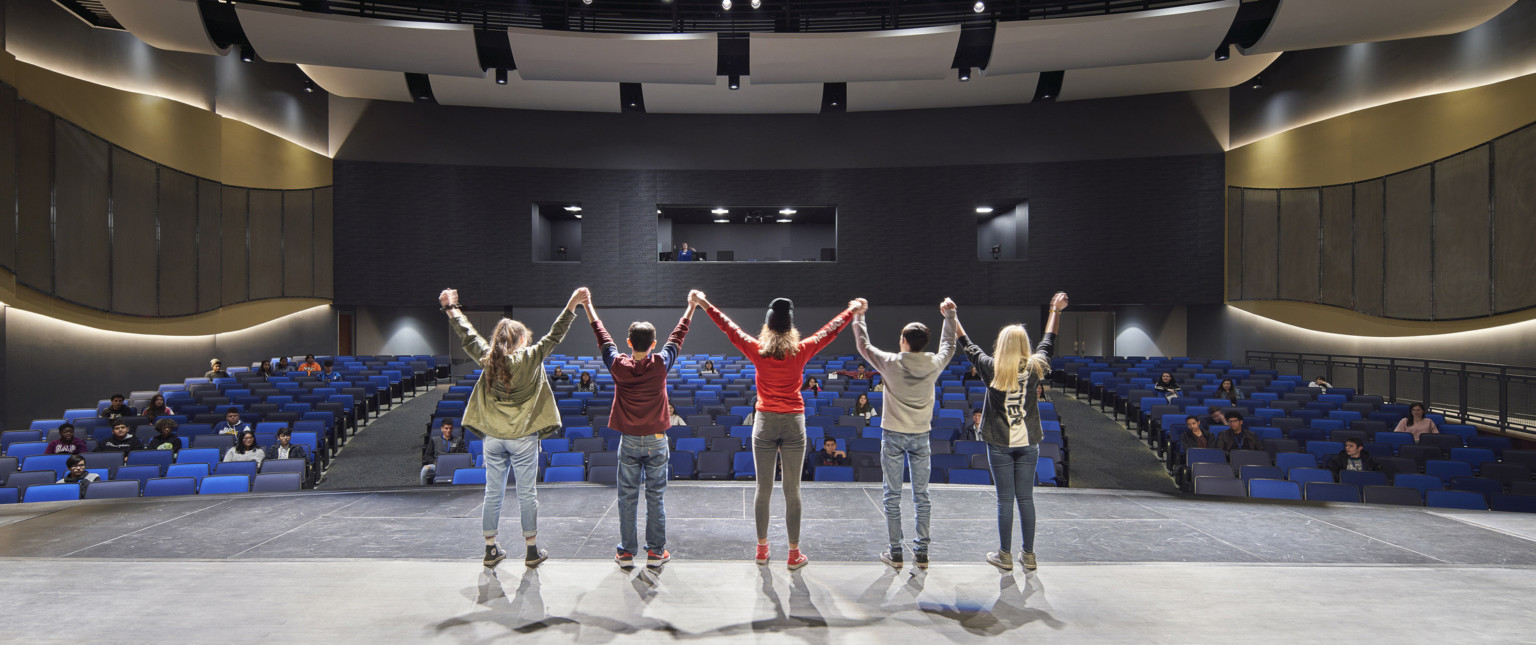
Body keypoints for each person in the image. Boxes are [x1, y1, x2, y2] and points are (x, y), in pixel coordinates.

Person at [693, 289, 857, 570]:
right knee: (792, 490)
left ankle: (761, 549)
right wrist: (851, 311)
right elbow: (830, 331)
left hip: (765, 421)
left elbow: (728, 328)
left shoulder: (757, 349)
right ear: (790, 327)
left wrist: (704, 303)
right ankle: (793, 555)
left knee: (763, 488)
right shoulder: (802, 349)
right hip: (794, 422)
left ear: (767, 326)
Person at [442, 286, 586, 569]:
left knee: (492, 493)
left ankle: (490, 549)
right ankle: (531, 552)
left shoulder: (488, 359)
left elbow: (467, 335)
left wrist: (452, 309)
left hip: (493, 438)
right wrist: (572, 303)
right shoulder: (531, 358)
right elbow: (555, 333)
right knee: (527, 494)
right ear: (521, 339)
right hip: (523, 438)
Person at [954, 291, 1065, 573]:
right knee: (1025, 498)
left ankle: (1004, 555)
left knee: (1005, 500)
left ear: (1001, 344)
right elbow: (1049, 342)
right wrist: (1055, 310)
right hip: (1028, 441)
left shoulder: (992, 368)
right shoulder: (1036, 365)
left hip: (1000, 442)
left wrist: (952, 316)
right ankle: (1028, 556)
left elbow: (967, 345)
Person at [585, 289, 695, 570]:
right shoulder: (661, 364)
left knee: (627, 498)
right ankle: (656, 553)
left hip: (630, 441)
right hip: (658, 441)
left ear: (629, 342)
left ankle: (626, 553)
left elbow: (602, 338)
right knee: (655, 497)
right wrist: (691, 307)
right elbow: (678, 336)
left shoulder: (618, 366)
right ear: (653, 344)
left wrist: (588, 305)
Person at [852, 296, 957, 570]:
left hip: (893, 435)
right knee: (922, 495)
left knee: (892, 494)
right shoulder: (934, 363)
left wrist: (860, 316)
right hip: (921, 435)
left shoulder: (890, 362)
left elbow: (863, 346)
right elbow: (949, 344)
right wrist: (950, 316)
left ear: (903, 340)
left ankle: (896, 552)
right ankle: (921, 553)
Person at [421, 419, 466, 485]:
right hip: (438, 465)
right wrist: (435, 462)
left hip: (453, 465)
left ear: (453, 429)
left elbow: (462, 455)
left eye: (450, 428)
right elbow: (427, 456)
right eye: (446, 428)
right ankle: (424, 491)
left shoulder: (458, 440)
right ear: (442, 429)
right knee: (424, 470)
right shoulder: (434, 440)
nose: (448, 430)